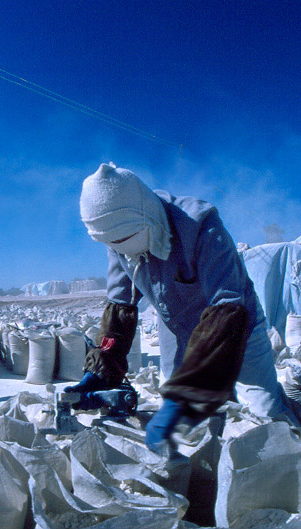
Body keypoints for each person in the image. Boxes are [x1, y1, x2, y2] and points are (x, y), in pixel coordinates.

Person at [68, 162, 287, 454]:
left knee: (263, 416)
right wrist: (100, 368)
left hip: (237, 323)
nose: (120, 249)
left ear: (145, 216)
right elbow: (121, 303)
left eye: (123, 240)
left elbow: (226, 308)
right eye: (111, 244)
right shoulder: (118, 236)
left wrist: (188, 389)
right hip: (178, 328)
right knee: (184, 426)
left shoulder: (200, 226)